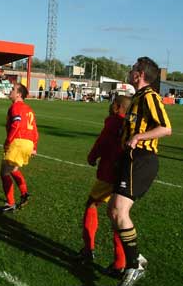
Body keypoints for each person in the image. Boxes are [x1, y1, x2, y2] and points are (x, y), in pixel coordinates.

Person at [107, 57, 172, 286]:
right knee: (113, 211)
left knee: (119, 211)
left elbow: (166, 128)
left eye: (134, 68)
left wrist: (138, 136)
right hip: (130, 160)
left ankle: (134, 265)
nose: (130, 70)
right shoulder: (137, 97)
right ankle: (134, 259)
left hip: (142, 160)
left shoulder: (150, 97)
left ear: (139, 75)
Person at [76, 96, 131, 279]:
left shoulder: (114, 121)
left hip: (109, 173)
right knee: (119, 215)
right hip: (126, 174)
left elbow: (103, 142)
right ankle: (120, 263)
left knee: (92, 204)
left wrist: (92, 156)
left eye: (112, 104)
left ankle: (88, 249)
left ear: (117, 107)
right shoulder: (129, 123)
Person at [0, 83, 39, 212]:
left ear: (18, 94)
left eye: (13, 89)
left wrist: (8, 141)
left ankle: (10, 203)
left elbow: (16, 124)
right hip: (28, 143)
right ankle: (24, 194)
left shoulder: (15, 107)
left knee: (4, 172)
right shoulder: (29, 109)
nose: (10, 91)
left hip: (18, 142)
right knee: (13, 169)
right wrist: (34, 147)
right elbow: (35, 130)